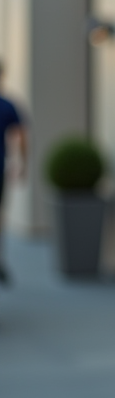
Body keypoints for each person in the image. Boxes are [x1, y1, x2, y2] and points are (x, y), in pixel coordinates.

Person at [0, 60, 28, 286]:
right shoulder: (7, 105)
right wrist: (22, 163)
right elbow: (21, 137)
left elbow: (20, 135)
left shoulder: (8, 105)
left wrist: (22, 163)